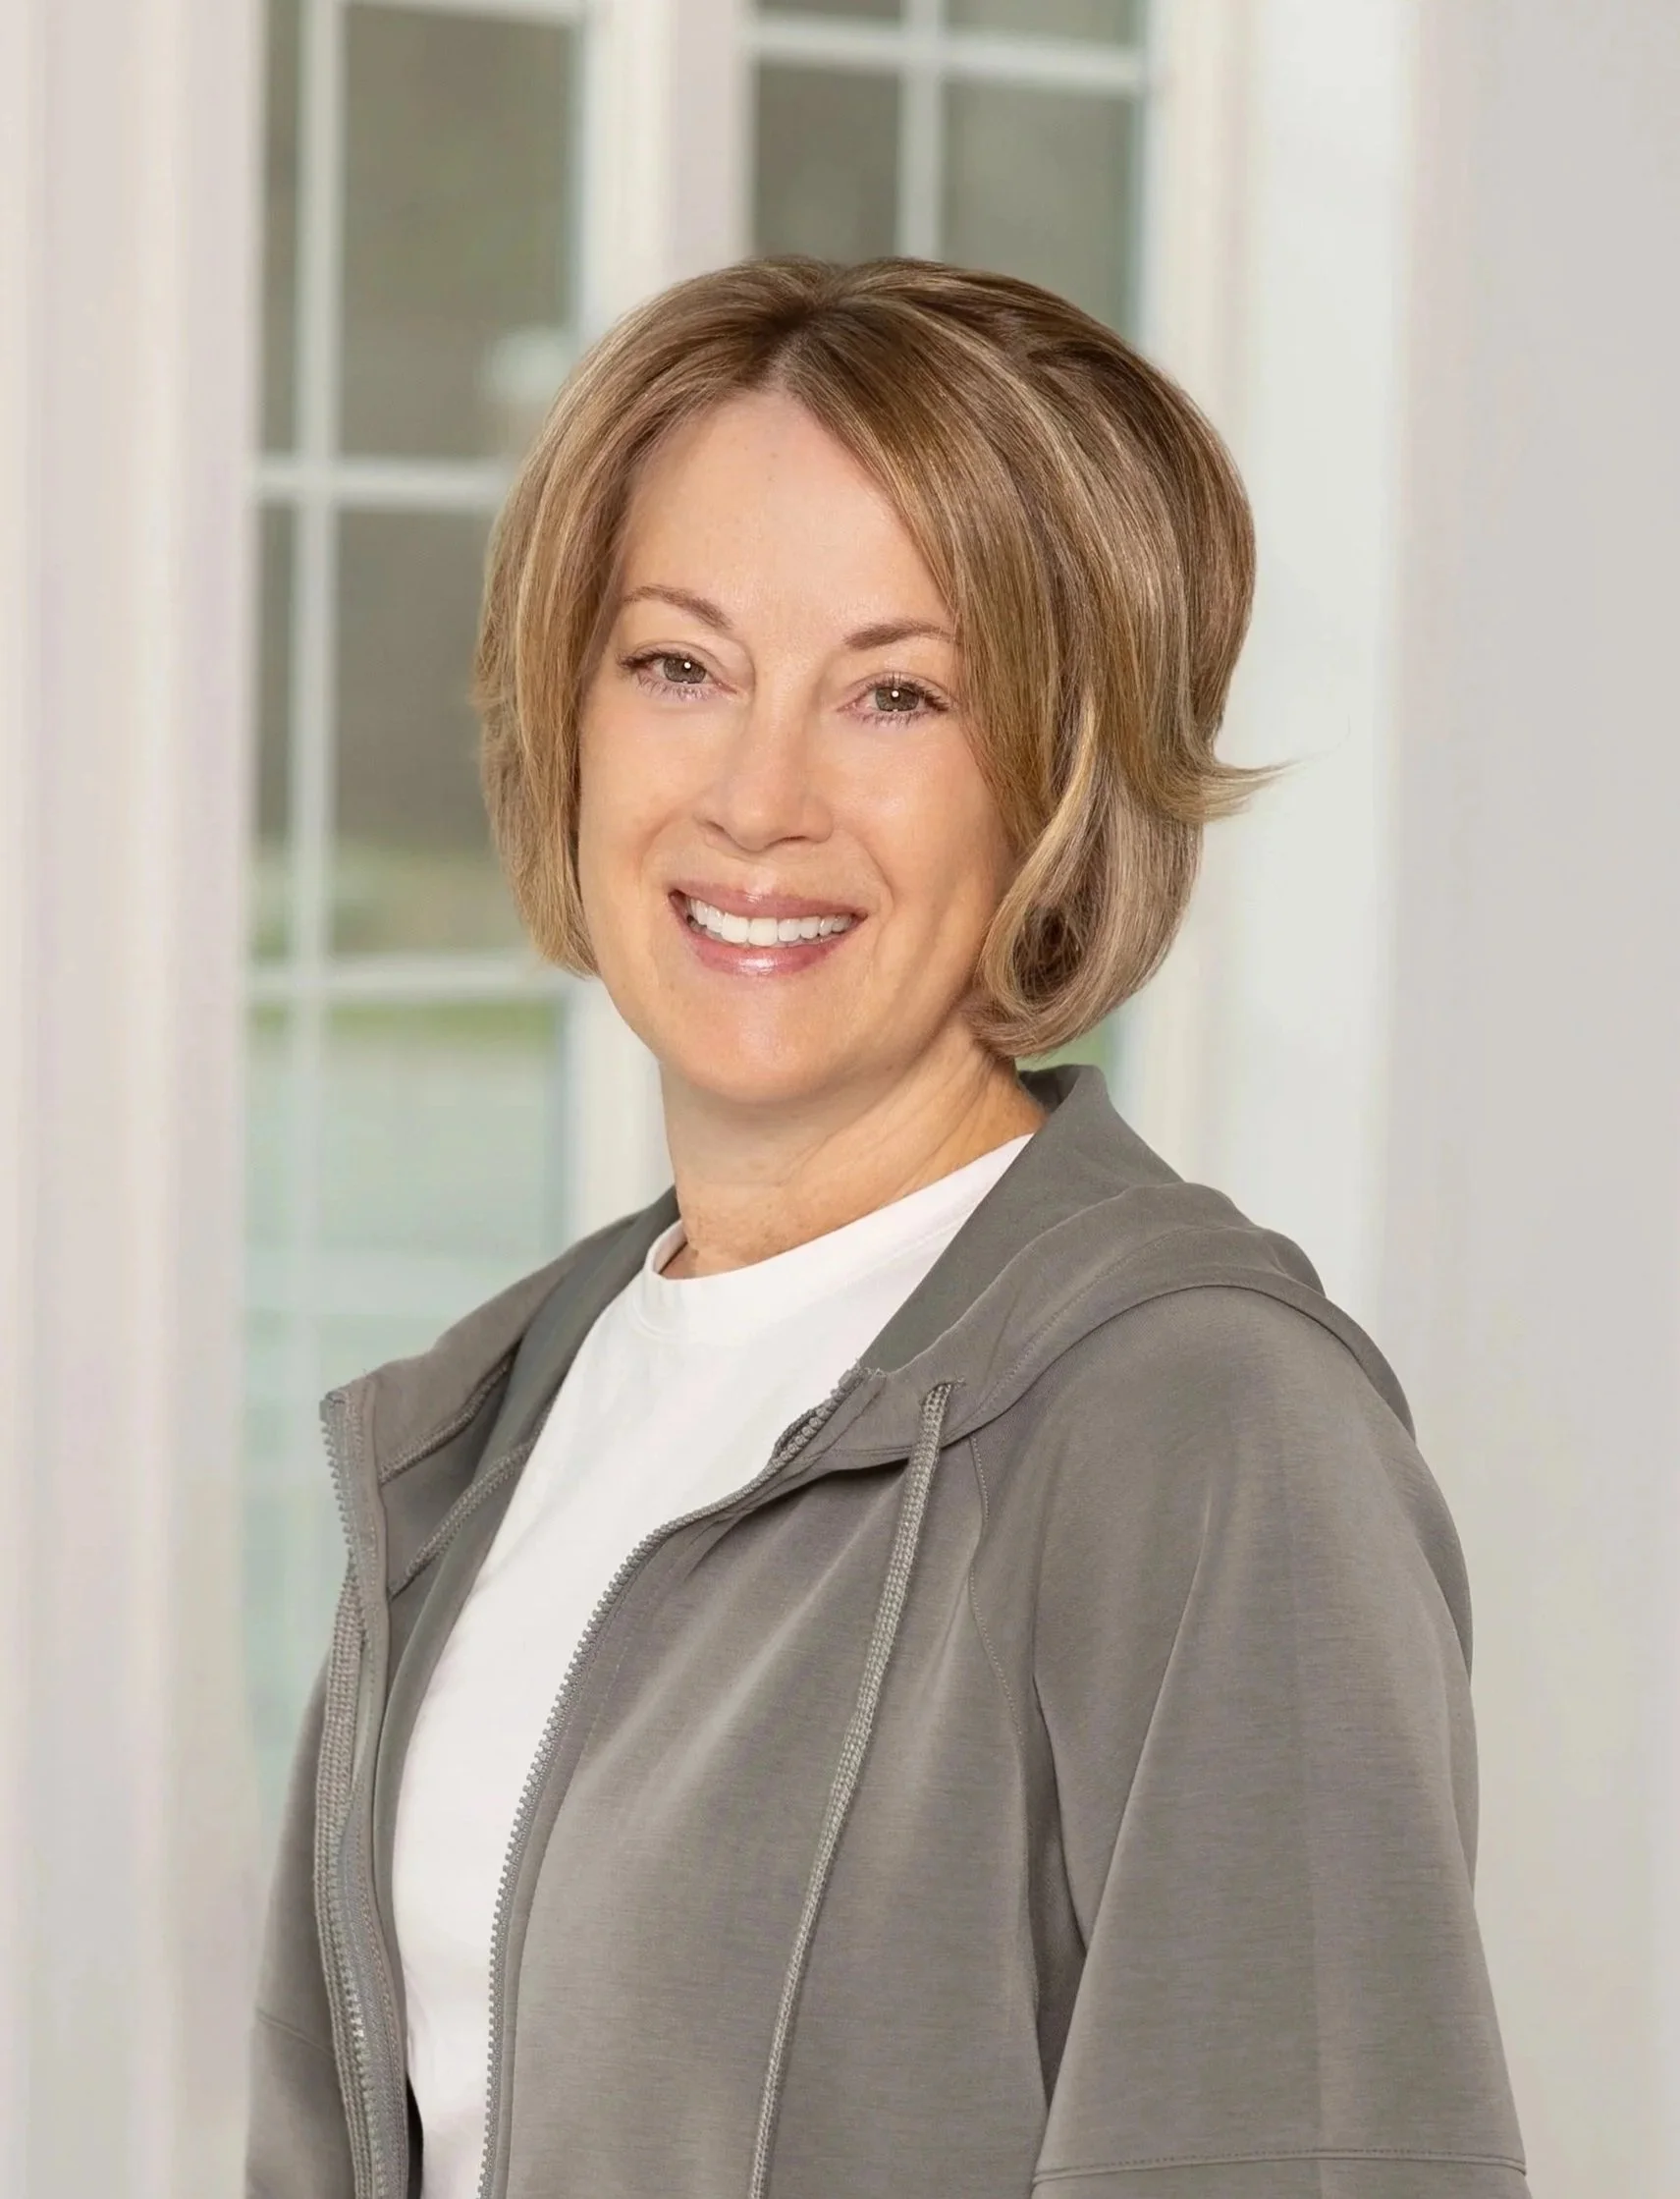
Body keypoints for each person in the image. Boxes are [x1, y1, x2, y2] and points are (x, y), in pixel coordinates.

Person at [246, 257, 1529, 2199]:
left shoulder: (1201, 1428)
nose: (760, 797)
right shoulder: (492, 1419)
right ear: (567, 711)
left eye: (898, 694)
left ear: (1058, 781)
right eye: (679, 664)